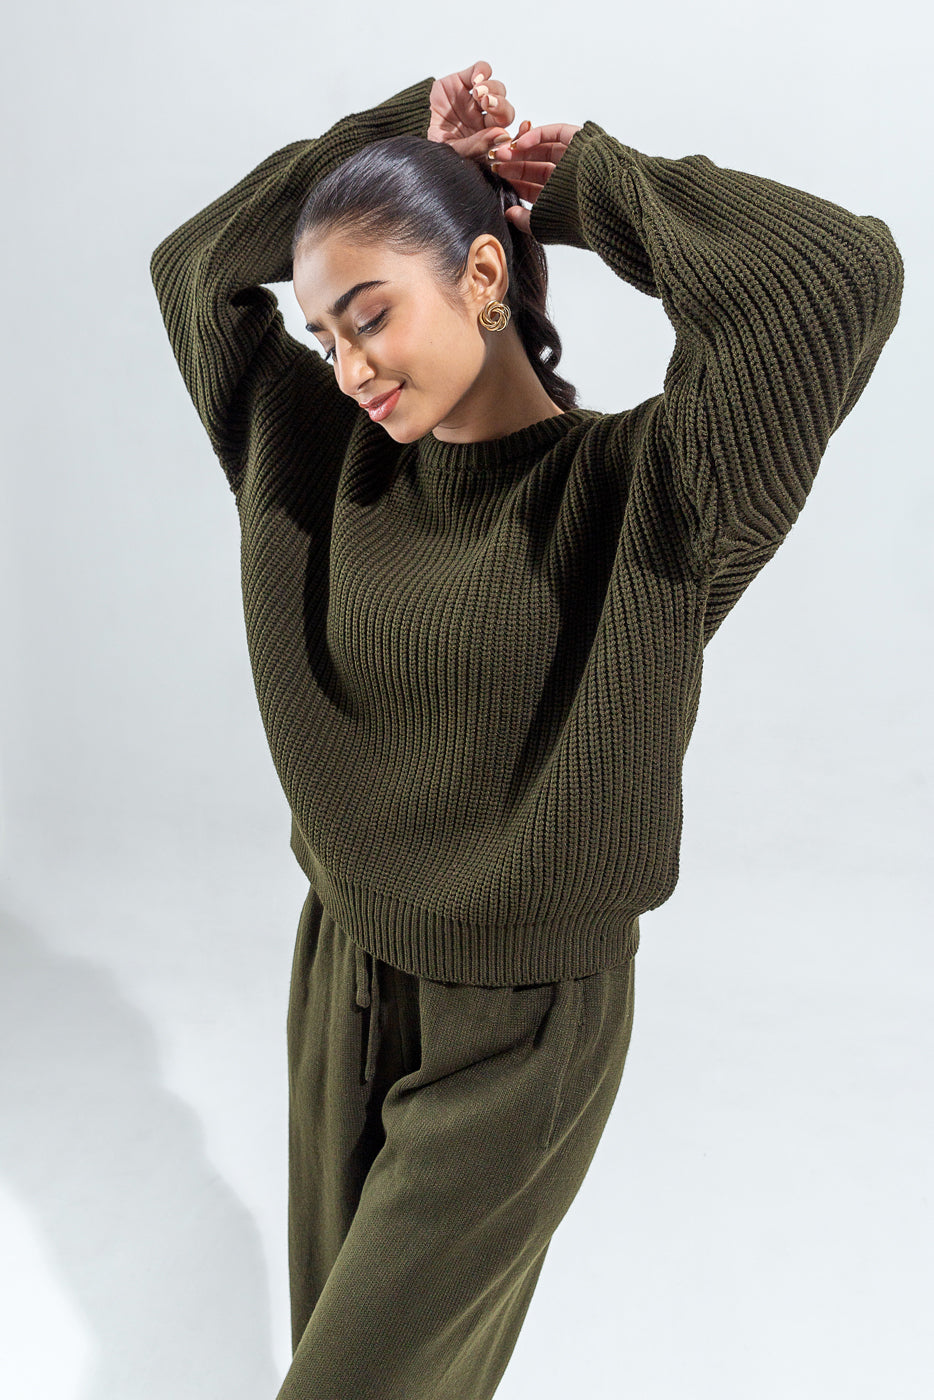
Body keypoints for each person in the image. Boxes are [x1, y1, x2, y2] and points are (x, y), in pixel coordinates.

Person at [149, 58, 903, 1400]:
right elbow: (196, 267)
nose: (350, 366)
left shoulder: (648, 497)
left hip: (521, 1028)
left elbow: (834, 276)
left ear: (483, 278)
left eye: (372, 316)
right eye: (325, 335)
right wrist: (412, 137)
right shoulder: (315, 456)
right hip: (342, 966)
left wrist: (584, 184)